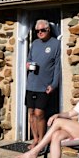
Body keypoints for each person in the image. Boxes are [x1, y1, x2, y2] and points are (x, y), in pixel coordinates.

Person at [25, 19, 61, 150]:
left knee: (39, 113)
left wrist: (54, 84)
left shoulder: (56, 44)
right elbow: (29, 59)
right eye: (37, 31)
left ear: (48, 30)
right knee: (31, 112)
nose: (40, 33)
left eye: (43, 30)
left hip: (44, 85)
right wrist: (28, 64)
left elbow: (57, 66)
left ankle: (42, 141)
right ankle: (35, 139)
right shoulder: (34, 43)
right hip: (31, 84)